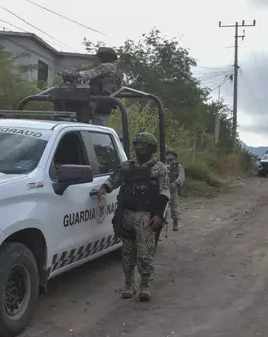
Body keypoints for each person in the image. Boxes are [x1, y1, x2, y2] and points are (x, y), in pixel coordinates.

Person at [92, 132, 170, 301]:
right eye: (137, 144)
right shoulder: (127, 166)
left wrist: (158, 215)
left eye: (143, 145)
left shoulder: (160, 168)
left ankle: (145, 285)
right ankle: (129, 284)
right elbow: (114, 180)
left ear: (151, 148)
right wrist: (103, 190)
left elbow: (165, 192)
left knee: (144, 253)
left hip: (146, 216)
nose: (139, 148)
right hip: (127, 214)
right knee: (127, 253)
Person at [61, 47, 123, 126]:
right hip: (105, 101)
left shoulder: (108, 66)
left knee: (98, 127)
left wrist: (74, 74)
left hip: (101, 100)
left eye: (102, 56)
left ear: (107, 57)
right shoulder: (117, 70)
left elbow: (90, 73)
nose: (100, 59)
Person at [165, 149, 185, 231]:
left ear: (174, 156)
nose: (169, 156)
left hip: (173, 189)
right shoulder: (162, 165)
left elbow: (181, 176)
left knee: (174, 207)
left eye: (171, 154)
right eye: (168, 154)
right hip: (164, 188)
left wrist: (176, 183)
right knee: (163, 208)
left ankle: (175, 223)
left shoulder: (178, 166)